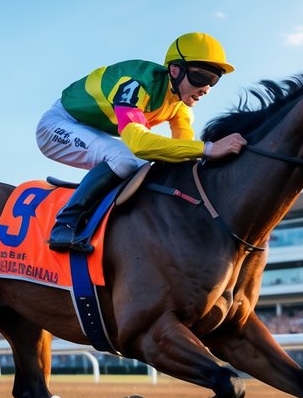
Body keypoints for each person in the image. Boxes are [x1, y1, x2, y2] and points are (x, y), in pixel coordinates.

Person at [35, 32, 248, 253]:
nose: (206, 89)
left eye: (213, 80)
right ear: (175, 70)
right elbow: (139, 144)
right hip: (57, 125)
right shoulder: (136, 83)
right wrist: (209, 148)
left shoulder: (180, 106)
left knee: (145, 166)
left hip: (89, 129)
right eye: (200, 77)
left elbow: (184, 152)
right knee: (125, 159)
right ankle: (65, 223)